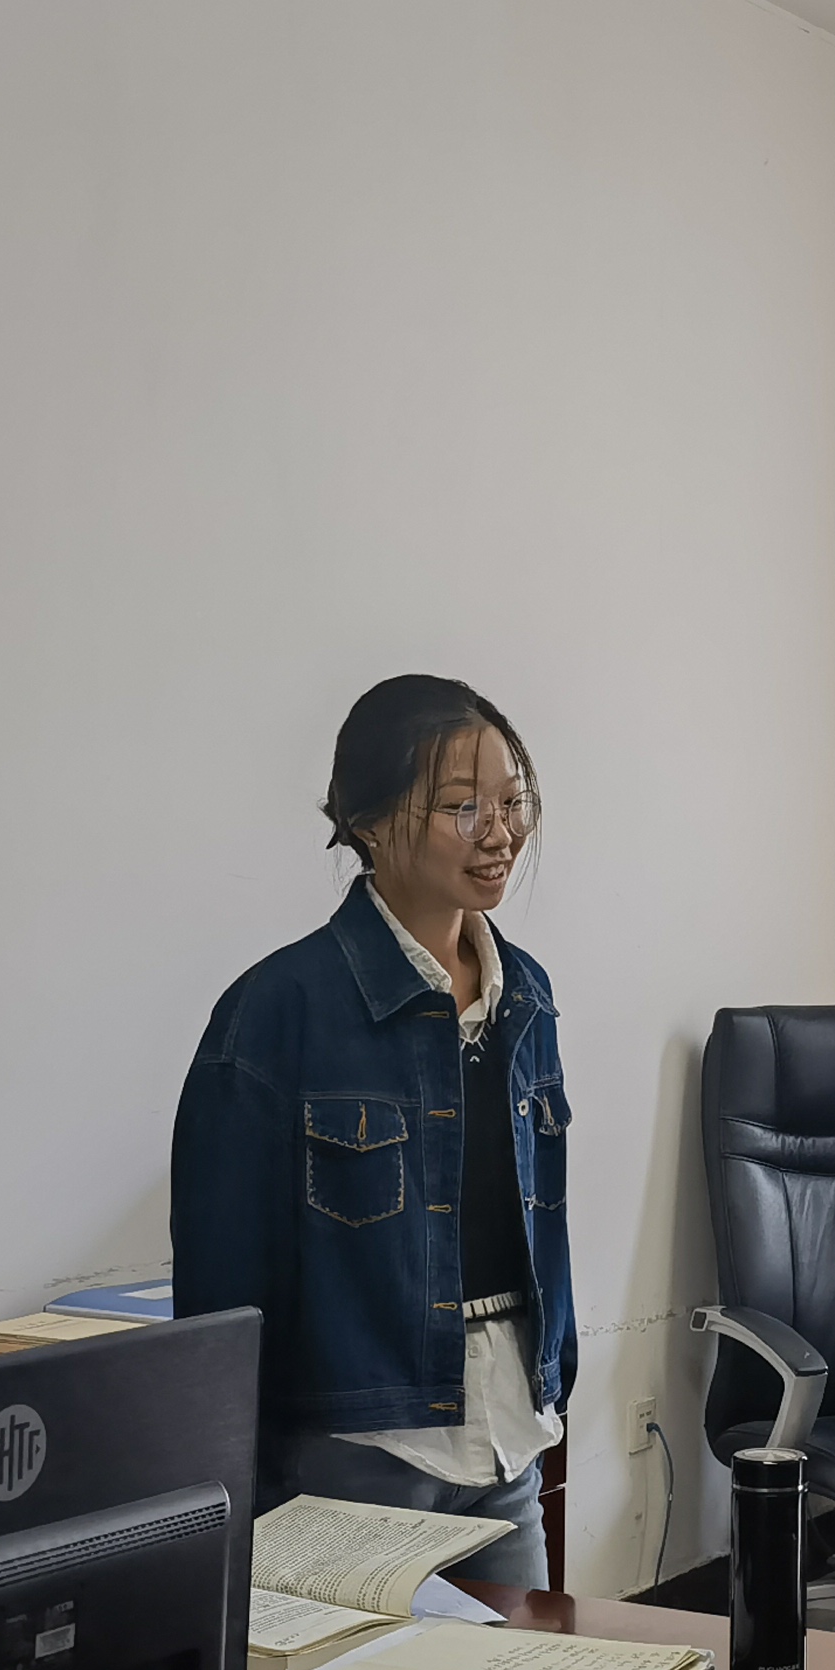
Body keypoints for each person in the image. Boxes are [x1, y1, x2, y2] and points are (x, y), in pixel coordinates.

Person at [173, 675, 569, 1589]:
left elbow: (536, 1226)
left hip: (508, 1438)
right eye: (463, 807)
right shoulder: (278, 1012)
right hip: (357, 1456)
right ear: (371, 821)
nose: (501, 833)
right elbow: (223, 1297)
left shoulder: (527, 995)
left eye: (512, 803)